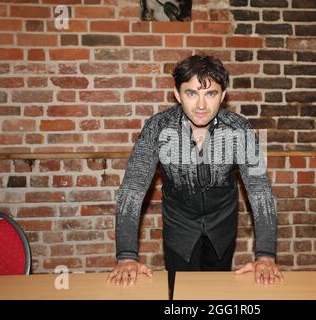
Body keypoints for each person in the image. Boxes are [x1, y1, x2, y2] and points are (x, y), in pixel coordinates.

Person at [107, 55, 283, 286]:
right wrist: (127, 256)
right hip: (179, 224)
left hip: (222, 223)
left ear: (223, 95)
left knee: (216, 291)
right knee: (181, 290)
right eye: (192, 93)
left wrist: (266, 255)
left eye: (210, 94)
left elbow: (260, 191)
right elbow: (132, 189)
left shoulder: (240, 129)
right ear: (177, 94)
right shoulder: (157, 128)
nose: (201, 105)